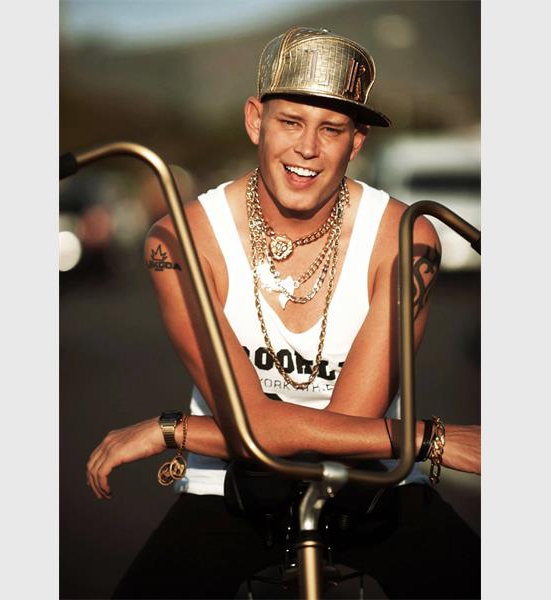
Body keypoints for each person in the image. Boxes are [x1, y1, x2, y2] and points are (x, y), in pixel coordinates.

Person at [86, 26, 481, 599]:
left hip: (373, 479)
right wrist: (429, 438)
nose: (307, 148)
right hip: (228, 484)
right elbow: (250, 428)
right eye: (290, 122)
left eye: (331, 129)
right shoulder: (181, 239)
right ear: (256, 121)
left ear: (357, 141)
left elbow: (347, 431)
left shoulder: (405, 237)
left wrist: (174, 430)